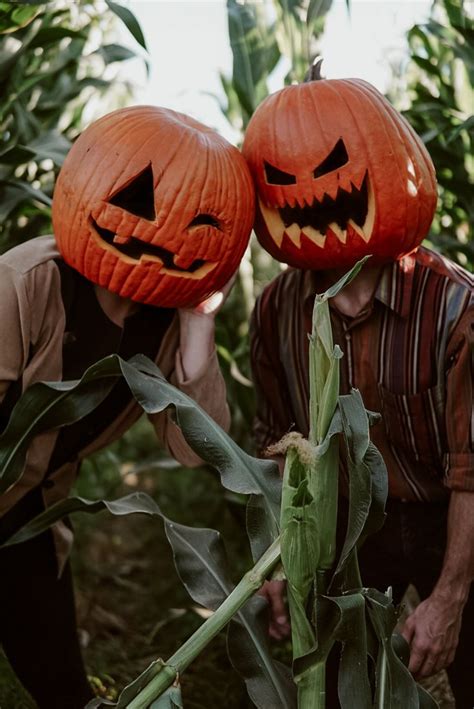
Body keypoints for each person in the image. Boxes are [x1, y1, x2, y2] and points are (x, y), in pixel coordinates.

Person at [0, 106, 254, 708]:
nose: (165, 230)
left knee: (64, 688)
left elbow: (199, 453)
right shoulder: (24, 284)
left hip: (27, 513)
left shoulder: (164, 323)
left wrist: (198, 327)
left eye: (200, 224)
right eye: (140, 199)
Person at [243, 73, 474, 707]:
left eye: (333, 166)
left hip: (446, 519)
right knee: (335, 686)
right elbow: (273, 447)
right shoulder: (275, 311)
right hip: (341, 524)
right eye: (281, 180)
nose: (306, 192)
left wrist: (451, 597)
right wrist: (280, 565)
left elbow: (471, 469)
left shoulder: (456, 307)